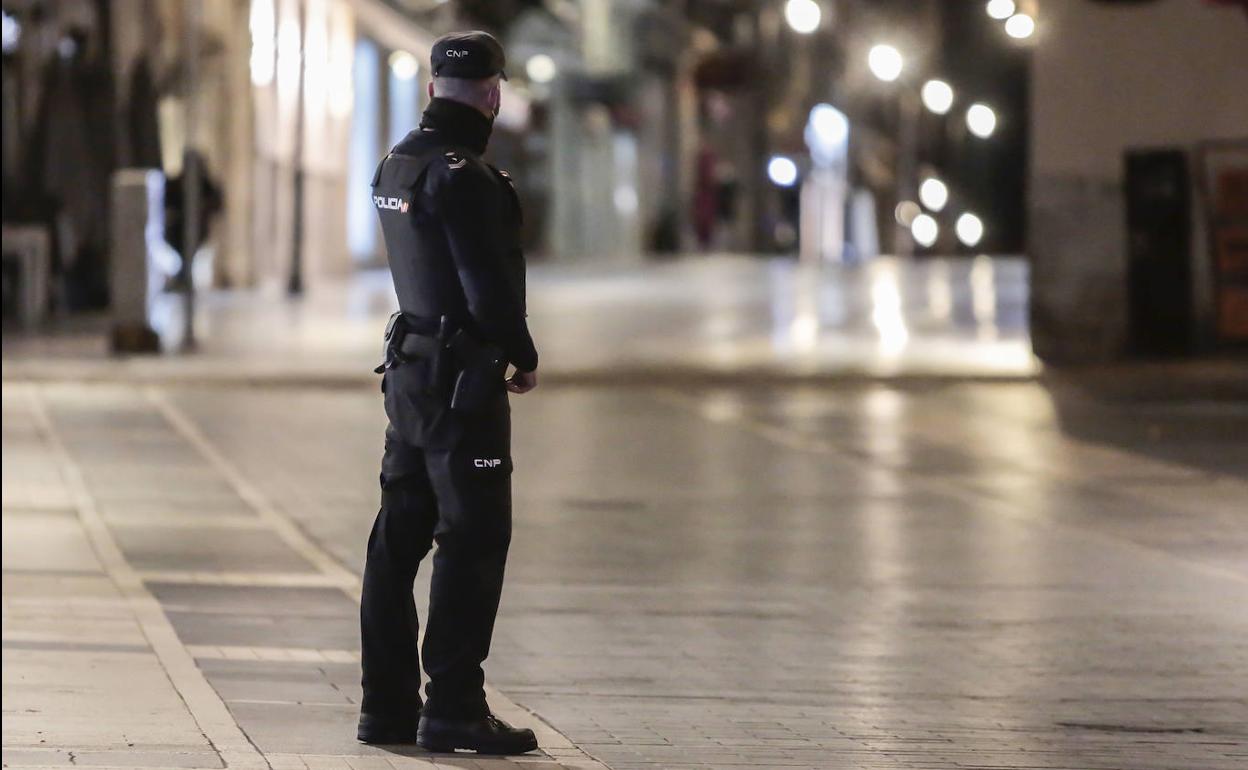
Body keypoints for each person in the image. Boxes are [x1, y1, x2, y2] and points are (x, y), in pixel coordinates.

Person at [357, 31, 540, 756]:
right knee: (472, 538)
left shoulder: (396, 164)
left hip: (409, 372)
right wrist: (521, 354)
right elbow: (486, 286)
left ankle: (386, 706)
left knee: (396, 539)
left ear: (432, 88)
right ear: (493, 94)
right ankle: (456, 708)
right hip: (463, 383)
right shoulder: (469, 177)